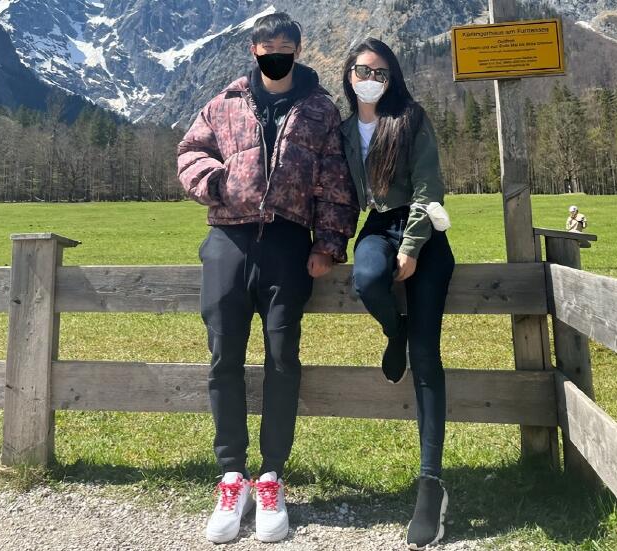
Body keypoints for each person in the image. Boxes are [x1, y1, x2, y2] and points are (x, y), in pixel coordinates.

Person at [177, 12, 358, 544]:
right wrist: (216, 183)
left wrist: (328, 244)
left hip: (288, 243)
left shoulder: (321, 109)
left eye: (284, 46)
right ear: (253, 51)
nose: (274, 54)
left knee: (282, 358)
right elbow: (190, 152)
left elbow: (336, 181)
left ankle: (272, 476)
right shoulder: (225, 102)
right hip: (228, 242)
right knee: (223, 357)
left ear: (297, 51)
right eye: (266, 46)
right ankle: (232, 477)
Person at [339, 38, 455, 550]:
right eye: (363, 70)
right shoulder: (344, 130)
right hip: (376, 227)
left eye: (380, 72)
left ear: (393, 79)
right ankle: (395, 329)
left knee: (427, 358)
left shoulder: (410, 119)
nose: (371, 79)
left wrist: (411, 248)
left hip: (423, 231)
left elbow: (429, 188)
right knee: (366, 279)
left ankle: (430, 483)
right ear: (349, 74)